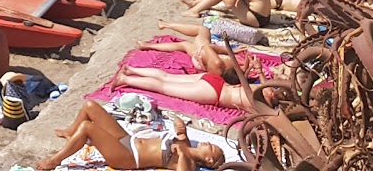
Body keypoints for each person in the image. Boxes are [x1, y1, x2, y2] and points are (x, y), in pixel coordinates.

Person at [32, 98, 226, 170]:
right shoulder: (187, 143)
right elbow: (179, 127)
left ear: (208, 160)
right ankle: (70, 132)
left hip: (129, 158)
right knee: (90, 106)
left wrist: (182, 151)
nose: (208, 143)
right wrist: (179, 126)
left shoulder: (189, 164)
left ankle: (54, 161)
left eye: (212, 148)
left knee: (88, 127)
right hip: (129, 140)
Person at [109, 63, 276, 113]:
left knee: (167, 77)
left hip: (217, 82)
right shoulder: (263, 104)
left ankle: (132, 69)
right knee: (164, 86)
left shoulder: (265, 89)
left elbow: (262, 79)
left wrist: (260, 71)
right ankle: (125, 78)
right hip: (214, 93)